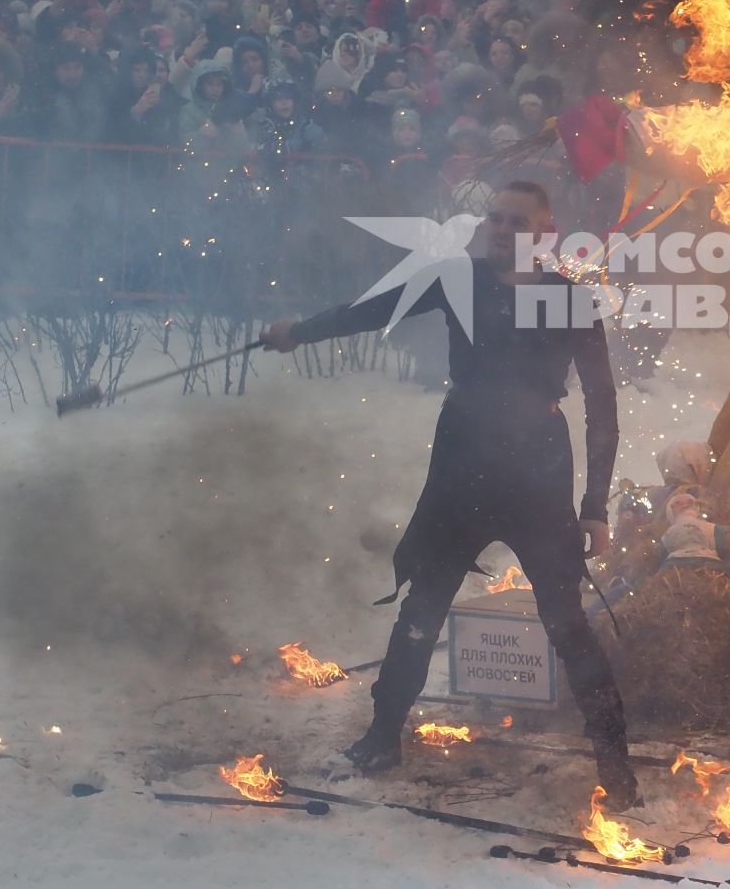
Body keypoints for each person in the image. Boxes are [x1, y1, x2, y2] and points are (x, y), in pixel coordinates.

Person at [259, 181, 637, 808]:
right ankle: (383, 737)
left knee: (566, 621)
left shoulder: (572, 300)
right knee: (421, 608)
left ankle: (615, 764)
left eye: (518, 222)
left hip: (538, 466)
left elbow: (603, 405)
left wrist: (595, 505)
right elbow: (370, 310)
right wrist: (299, 331)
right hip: (462, 457)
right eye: (495, 218)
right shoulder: (456, 279)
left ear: (544, 234)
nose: (502, 229)